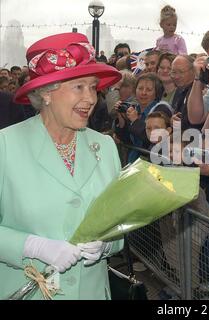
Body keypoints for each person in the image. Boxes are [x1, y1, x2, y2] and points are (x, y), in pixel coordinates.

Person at [0, 32, 123, 300]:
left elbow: (118, 224)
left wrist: (107, 245)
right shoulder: (5, 146)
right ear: (46, 93)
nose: (91, 98)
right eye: (79, 87)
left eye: (93, 87)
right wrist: (31, 246)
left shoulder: (105, 146)